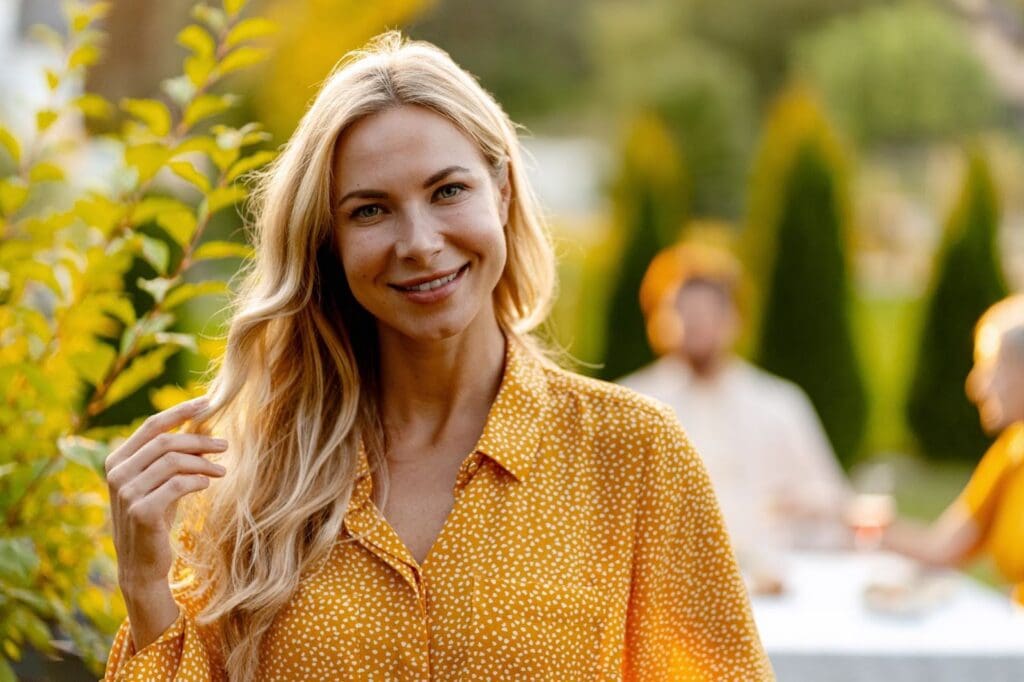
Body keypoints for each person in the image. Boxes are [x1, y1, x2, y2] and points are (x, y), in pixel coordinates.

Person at [101, 33, 772, 680]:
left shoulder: (634, 453)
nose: (420, 243)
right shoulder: (249, 478)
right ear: (329, 241)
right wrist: (144, 583)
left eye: (448, 191)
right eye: (370, 211)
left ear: (501, 191)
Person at [619, 240, 852, 572]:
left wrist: (802, 504)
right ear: (657, 320)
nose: (697, 324)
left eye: (709, 312)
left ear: (735, 319)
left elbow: (833, 500)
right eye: (684, 311)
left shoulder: (778, 403)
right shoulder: (632, 405)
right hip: (664, 580)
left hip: (770, 576)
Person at [882, 294, 1024, 605]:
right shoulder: (1013, 452)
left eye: (990, 368)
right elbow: (941, 549)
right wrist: (854, 519)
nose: (975, 387)